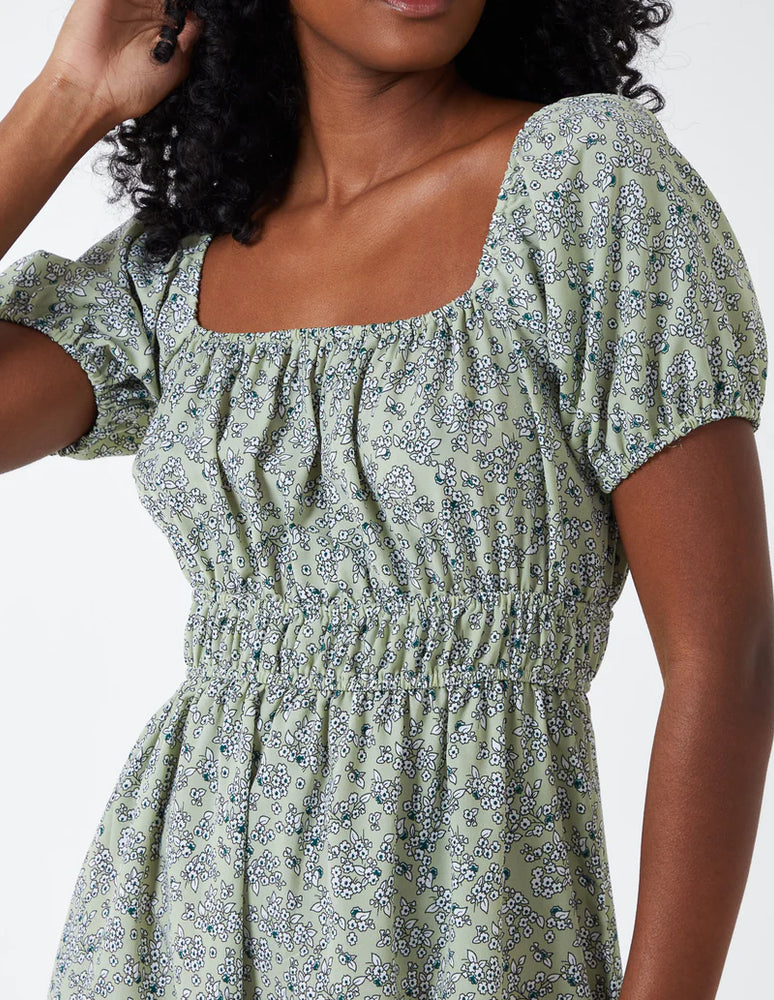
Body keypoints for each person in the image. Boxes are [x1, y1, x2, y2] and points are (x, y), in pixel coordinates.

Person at [0, 1, 771, 998]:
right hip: (176, 928)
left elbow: (727, 657)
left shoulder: (586, 180)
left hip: (469, 926)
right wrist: (65, 100)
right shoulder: (179, 262)